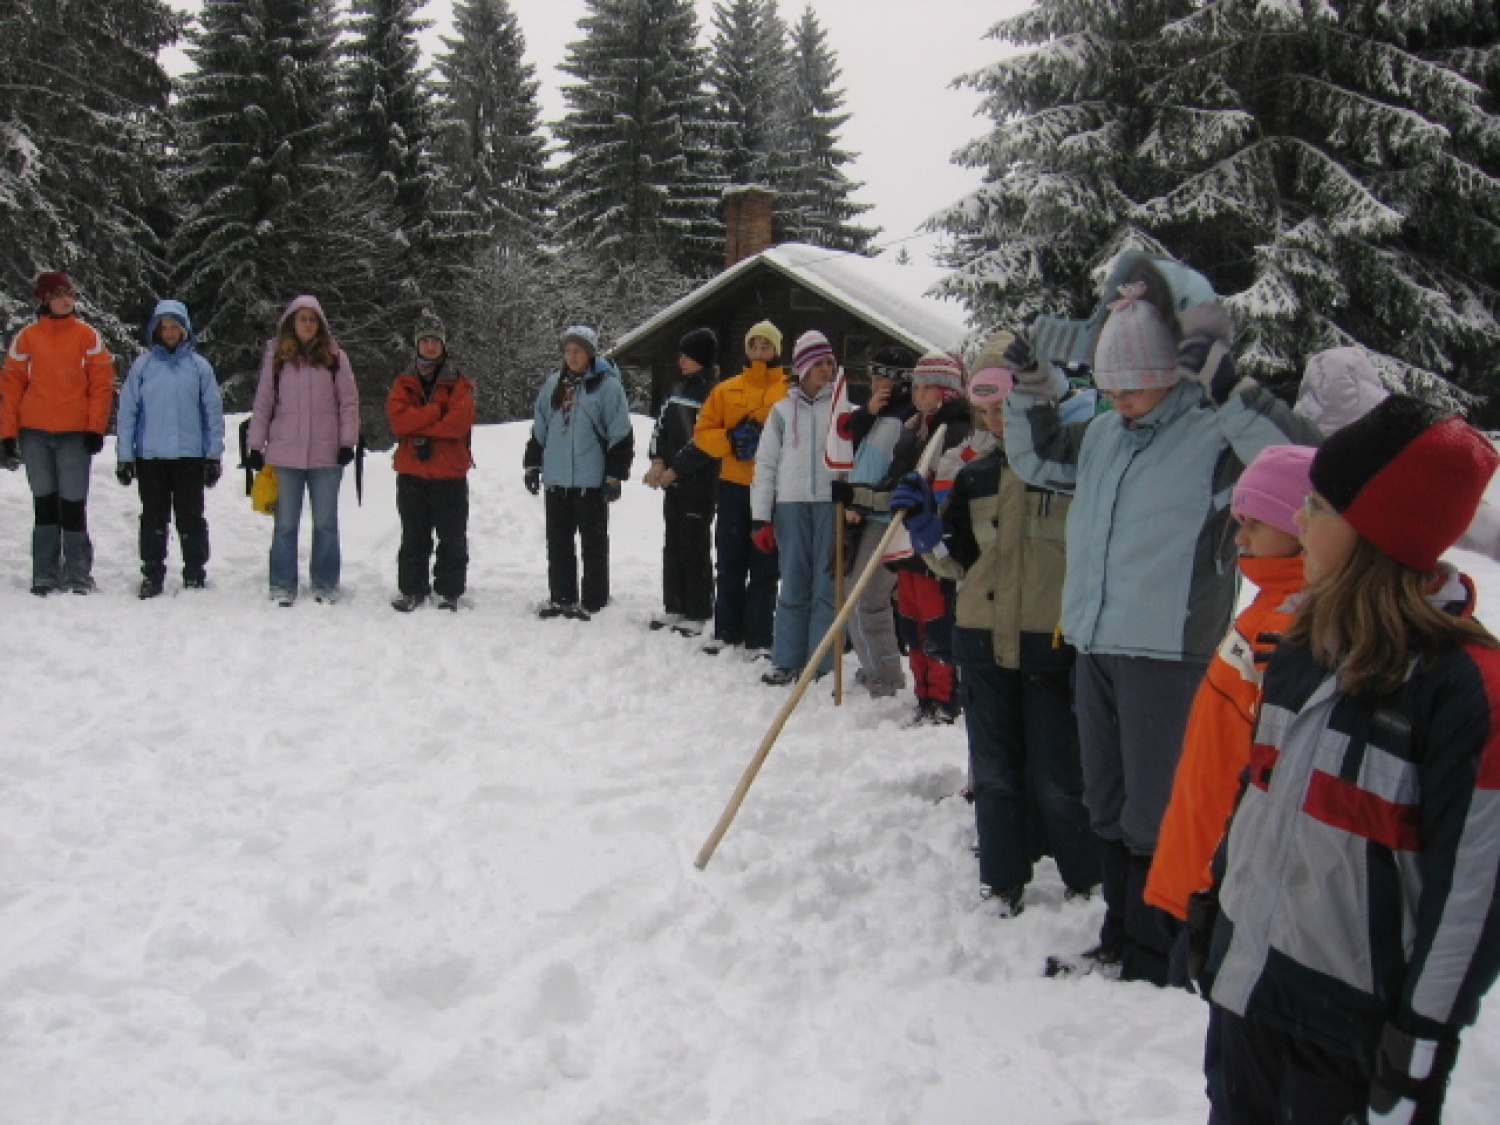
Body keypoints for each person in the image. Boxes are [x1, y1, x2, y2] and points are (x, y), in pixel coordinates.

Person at [1004, 256, 1322, 985]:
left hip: (1170, 650)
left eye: (1134, 382)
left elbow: (1306, 463)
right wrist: (1029, 388)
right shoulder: (1106, 434)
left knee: (1159, 809)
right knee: (1106, 802)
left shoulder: (1217, 436)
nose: (1119, 396)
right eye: (1110, 383)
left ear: (1173, 372)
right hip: (1096, 642)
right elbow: (1041, 460)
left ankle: (1162, 953)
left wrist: (1227, 386)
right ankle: (1122, 935)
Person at [1199, 395, 1500, 1125]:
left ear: (1375, 533)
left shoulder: (1466, 692)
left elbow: (1472, 894)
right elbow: (1261, 788)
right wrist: (1217, 905)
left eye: (1319, 506)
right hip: (1251, 992)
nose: (1299, 521)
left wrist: (1420, 1042)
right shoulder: (1302, 643)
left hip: (1349, 1032)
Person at [897, 356, 1100, 915]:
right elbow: (957, 560)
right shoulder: (976, 476)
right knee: (994, 775)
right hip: (982, 642)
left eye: (1005, 408)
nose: (994, 421)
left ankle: (1086, 881)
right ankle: (1002, 880)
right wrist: (925, 529)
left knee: (1059, 778)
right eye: (985, 411)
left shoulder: (1072, 471)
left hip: (1051, 646)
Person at [1144, 444, 1313, 927]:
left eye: (1256, 522)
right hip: (1207, 847)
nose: (1241, 538)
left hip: (1231, 871)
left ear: (1303, 526)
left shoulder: (1296, 626)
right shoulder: (1268, 607)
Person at [0, 271, 115, 594]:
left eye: (70, 294)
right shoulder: (27, 338)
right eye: (59, 295)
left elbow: (101, 385)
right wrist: (7, 433)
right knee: (45, 502)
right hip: (34, 432)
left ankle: (78, 573)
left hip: (74, 434)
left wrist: (95, 428)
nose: (67, 300)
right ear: (45, 299)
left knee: (73, 503)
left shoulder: (87, 336)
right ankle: (44, 573)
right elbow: (11, 387)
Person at [245, 295, 360, 606]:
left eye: (312, 320)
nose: (307, 325)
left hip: (326, 454)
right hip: (285, 454)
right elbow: (263, 403)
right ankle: (282, 584)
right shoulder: (277, 358)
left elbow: (348, 403)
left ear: (320, 325)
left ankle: (325, 584)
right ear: (291, 323)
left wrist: (347, 442)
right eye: (302, 319)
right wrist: (255, 444)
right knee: (285, 524)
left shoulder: (335, 358)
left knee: (325, 523)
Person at [881, 350, 974, 726]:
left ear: (946, 392)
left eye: (926, 388)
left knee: (937, 623)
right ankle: (923, 692)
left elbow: (952, 489)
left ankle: (945, 695)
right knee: (911, 621)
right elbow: (895, 478)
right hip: (907, 546)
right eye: (915, 387)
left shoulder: (957, 432)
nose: (918, 395)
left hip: (935, 544)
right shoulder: (912, 430)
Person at [114, 299, 226, 598]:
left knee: (191, 517)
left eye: (174, 326)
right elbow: (128, 412)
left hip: (189, 456)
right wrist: (125, 456)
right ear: (156, 330)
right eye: (164, 327)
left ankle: (195, 572)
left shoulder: (199, 368)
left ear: (184, 329)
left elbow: (212, 413)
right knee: (153, 517)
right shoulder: (143, 367)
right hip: (151, 456)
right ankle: (152, 573)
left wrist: (213, 455)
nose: (169, 332)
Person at [522, 325, 634, 620]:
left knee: (593, 543)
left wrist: (615, 475)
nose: (572, 357)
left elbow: (620, 433)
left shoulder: (608, 387)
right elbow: (540, 428)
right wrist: (532, 465)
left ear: (590, 353)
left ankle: (594, 600)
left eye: (579, 351)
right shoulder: (553, 385)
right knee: (558, 543)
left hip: (591, 480)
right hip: (556, 480)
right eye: (568, 351)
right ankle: (562, 597)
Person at [690, 320, 788, 657]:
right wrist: (730, 441)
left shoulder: (788, 390)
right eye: (754, 345)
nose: (759, 352)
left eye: (766, 346)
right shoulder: (726, 389)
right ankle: (726, 630)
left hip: (772, 488)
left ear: (777, 350)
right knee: (730, 560)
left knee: (765, 564)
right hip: (733, 484)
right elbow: (702, 432)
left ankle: (759, 636)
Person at [829, 343, 917, 697]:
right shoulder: (876, 414)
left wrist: (859, 500)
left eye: (885, 379)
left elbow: (893, 475)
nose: (877, 384)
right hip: (864, 513)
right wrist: (867, 413)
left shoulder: (907, 418)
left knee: (868, 597)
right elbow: (850, 445)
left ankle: (887, 674)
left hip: (885, 518)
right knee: (852, 591)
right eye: (874, 377)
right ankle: (873, 669)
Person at [751, 330, 838, 685]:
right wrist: (761, 517)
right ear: (802, 367)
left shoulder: (842, 408)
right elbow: (765, 463)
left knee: (827, 585)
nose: (826, 369)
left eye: (830, 362)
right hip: (790, 505)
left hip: (830, 505)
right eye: (819, 363)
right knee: (793, 582)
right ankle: (786, 658)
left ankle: (822, 662)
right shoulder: (782, 411)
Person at [386, 311, 475, 612]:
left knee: (452, 536)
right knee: (414, 535)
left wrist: (418, 426)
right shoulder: (404, 381)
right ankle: (412, 589)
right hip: (412, 471)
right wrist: (436, 411)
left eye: (435, 340)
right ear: (417, 344)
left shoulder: (458, 381)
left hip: (449, 471)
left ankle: (449, 591)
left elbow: (458, 424)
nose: (430, 346)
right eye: (424, 340)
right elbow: (398, 421)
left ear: (443, 344)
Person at [644, 327, 720, 636]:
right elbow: (660, 429)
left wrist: (677, 468)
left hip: (699, 485)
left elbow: (706, 442)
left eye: (687, 356)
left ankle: (698, 610)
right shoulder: (676, 391)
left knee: (694, 545)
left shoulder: (713, 393)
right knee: (672, 544)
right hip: (672, 485)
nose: (681, 361)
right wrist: (657, 460)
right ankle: (674, 605)